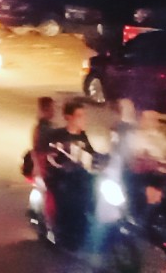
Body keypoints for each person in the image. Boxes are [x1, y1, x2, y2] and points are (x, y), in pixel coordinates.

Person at [42, 97, 99, 253]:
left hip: (79, 177)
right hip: (62, 179)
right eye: (79, 115)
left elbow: (92, 154)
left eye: (84, 116)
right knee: (69, 200)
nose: (83, 119)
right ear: (69, 117)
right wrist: (62, 166)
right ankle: (61, 235)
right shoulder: (58, 136)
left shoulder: (82, 136)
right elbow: (51, 157)